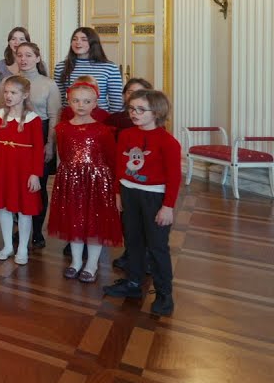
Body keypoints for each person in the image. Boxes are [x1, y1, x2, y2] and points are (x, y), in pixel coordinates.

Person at [103, 90, 181, 316]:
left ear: (156, 112)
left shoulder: (168, 142)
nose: (134, 113)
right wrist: (118, 193)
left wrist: (168, 206)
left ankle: (164, 293)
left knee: (157, 247)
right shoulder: (126, 135)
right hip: (129, 194)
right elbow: (120, 166)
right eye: (131, 109)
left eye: (140, 110)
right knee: (133, 242)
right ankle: (134, 283)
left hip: (154, 198)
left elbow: (174, 177)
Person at [48, 82, 121, 284]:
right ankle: (76, 261)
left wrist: (113, 187)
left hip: (97, 182)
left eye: (86, 101)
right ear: (69, 102)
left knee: (94, 222)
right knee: (74, 220)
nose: (81, 105)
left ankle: (92, 264)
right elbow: (63, 155)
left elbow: (111, 159)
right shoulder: (62, 128)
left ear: (95, 103)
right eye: (76, 100)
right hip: (71, 181)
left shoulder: (103, 131)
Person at [0, 75, 45, 264]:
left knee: (24, 210)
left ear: (25, 94)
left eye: (13, 92)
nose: (8, 96)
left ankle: (22, 248)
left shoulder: (33, 120)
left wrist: (35, 174)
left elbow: (38, 149)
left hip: (24, 170)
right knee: (3, 207)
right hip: (4, 168)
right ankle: (8, 246)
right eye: (6, 92)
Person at [8, 42, 62, 250]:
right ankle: (20, 227)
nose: (23, 59)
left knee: (36, 186)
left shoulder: (48, 84)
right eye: (20, 55)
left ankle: (37, 230)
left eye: (29, 55)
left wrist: (50, 144)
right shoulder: (8, 81)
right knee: (16, 184)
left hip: (40, 134)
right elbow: (3, 112)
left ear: (38, 58)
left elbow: (54, 116)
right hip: (15, 136)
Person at [54, 27, 125, 111]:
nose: (78, 42)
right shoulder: (61, 67)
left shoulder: (109, 67)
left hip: (100, 118)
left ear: (93, 43)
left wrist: (112, 122)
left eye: (84, 39)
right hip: (71, 118)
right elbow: (59, 100)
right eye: (74, 39)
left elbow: (116, 102)